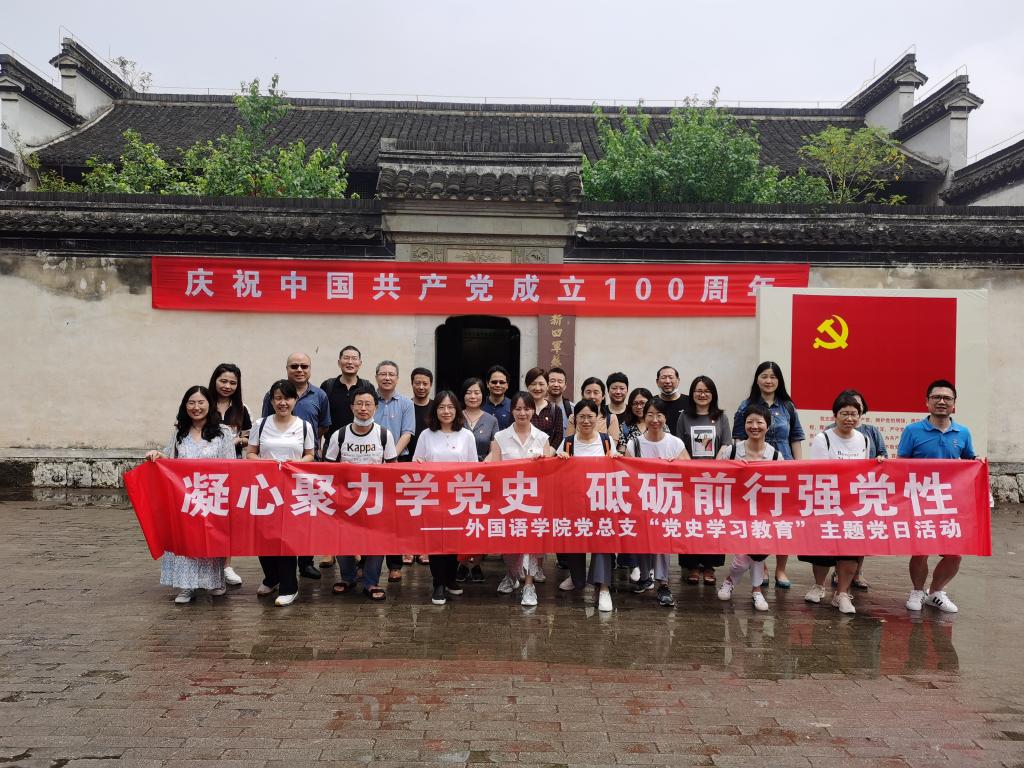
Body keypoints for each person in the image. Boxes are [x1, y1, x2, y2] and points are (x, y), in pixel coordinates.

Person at [145, 386, 236, 604]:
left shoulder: (222, 432)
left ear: (210, 405)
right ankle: (186, 585)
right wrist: (157, 455)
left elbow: (231, 465)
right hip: (183, 496)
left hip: (211, 495)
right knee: (185, 539)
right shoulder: (180, 432)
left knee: (209, 539)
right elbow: (170, 459)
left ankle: (214, 581)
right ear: (185, 406)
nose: (196, 407)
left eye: (201, 402)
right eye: (191, 403)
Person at [898, 379, 977, 614]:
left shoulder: (963, 432)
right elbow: (901, 464)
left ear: (954, 404)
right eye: (936, 397)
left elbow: (970, 463)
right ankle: (917, 591)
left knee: (954, 554)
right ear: (927, 402)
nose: (942, 401)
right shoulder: (912, 431)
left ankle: (936, 592)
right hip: (920, 500)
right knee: (921, 550)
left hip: (951, 503)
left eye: (947, 398)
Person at [732, 361, 805, 589]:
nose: (768, 381)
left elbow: (795, 438)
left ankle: (781, 569)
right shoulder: (746, 406)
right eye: (764, 376)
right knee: (758, 519)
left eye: (773, 377)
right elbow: (738, 437)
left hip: (782, 469)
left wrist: (798, 468)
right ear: (757, 379)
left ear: (779, 381)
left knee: (782, 519)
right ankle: (760, 564)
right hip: (753, 472)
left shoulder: (788, 406)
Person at [324, 384, 397, 601]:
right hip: (345, 500)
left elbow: (393, 469)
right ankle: (347, 577)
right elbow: (327, 469)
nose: (363, 408)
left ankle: (371, 581)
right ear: (351, 407)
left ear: (376, 407)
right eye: (359, 404)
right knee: (342, 539)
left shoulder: (384, 435)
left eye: (368, 404)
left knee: (377, 541)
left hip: (375, 500)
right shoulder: (339, 435)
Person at [261, 352, 330, 581]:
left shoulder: (320, 395)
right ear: (287, 368)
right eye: (294, 366)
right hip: (274, 473)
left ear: (310, 368)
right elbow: (265, 427)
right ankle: (276, 571)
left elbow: (322, 426)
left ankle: (306, 562)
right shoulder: (271, 395)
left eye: (304, 366)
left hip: (305, 468)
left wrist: (302, 447)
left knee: (305, 517)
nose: (299, 370)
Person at [800, 392, 871, 615]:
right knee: (823, 550)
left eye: (854, 414)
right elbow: (819, 472)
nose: (849, 418)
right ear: (835, 415)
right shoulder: (824, 438)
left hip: (853, 505)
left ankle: (842, 593)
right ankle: (818, 586)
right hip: (828, 502)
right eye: (844, 413)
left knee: (850, 550)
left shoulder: (864, 439)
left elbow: (865, 471)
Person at [246, 379, 315, 606]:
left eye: (287, 398)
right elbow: (251, 453)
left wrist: (293, 465)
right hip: (265, 489)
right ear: (272, 400)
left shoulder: (304, 426)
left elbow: (310, 455)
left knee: (286, 537)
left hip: (292, 490)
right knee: (264, 536)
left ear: (295, 400)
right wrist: (268, 464)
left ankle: (289, 586)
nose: (282, 403)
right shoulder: (260, 424)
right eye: (278, 398)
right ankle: (271, 577)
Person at [485, 391, 555, 606]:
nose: (522, 413)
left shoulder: (542, 438)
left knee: (532, 543)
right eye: (518, 409)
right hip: (508, 501)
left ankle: (529, 585)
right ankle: (511, 574)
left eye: (526, 408)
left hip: (534, 501)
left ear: (533, 411)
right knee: (511, 542)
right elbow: (494, 469)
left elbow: (548, 472)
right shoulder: (500, 437)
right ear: (511, 411)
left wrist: (545, 460)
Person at [413, 391, 479, 605]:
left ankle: (450, 579)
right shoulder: (426, 435)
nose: (446, 411)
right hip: (433, 496)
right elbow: (416, 463)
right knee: (436, 540)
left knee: (453, 539)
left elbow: (473, 466)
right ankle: (438, 583)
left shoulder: (466, 436)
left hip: (458, 496)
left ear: (457, 410)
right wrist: (420, 465)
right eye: (441, 407)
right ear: (435, 411)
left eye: (450, 407)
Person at [623, 398, 689, 607]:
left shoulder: (675, 443)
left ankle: (663, 583)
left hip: (665, 501)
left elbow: (689, 469)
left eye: (659, 415)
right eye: (650, 415)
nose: (655, 419)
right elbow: (626, 472)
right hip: (641, 500)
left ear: (665, 417)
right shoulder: (634, 443)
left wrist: (676, 465)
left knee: (662, 543)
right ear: (644, 416)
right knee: (642, 541)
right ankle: (645, 577)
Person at [716, 403, 781, 612]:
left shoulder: (775, 455)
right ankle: (730, 580)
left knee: (758, 555)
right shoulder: (732, 451)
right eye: (749, 422)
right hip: (737, 513)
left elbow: (783, 484)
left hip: (763, 514)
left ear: (767, 426)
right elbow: (716, 477)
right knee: (742, 560)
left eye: (759, 422)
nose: (754, 426)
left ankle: (756, 590)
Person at [557, 399, 618, 612]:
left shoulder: (606, 441)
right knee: (575, 541)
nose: (585, 421)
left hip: (601, 502)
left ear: (597, 417)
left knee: (602, 543)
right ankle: (577, 579)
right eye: (581, 417)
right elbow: (555, 472)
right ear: (575, 419)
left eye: (590, 416)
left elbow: (616, 467)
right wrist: (560, 459)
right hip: (574, 503)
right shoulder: (567, 443)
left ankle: (603, 587)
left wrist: (616, 458)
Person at [825, 388, 887, 590]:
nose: (850, 415)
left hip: (862, 490)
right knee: (838, 533)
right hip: (837, 491)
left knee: (858, 533)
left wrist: (880, 460)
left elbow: (882, 454)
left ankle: (857, 572)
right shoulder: (829, 432)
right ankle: (838, 571)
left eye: (856, 408)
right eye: (846, 409)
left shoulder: (871, 432)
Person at [676, 375, 730, 585]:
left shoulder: (721, 417)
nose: (702, 394)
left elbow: (726, 444)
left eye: (707, 391)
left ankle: (709, 566)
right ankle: (691, 565)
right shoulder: (684, 417)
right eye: (698, 391)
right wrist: (692, 469)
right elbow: (679, 446)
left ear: (713, 394)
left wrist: (713, 467)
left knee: (712, 522)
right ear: (692, 394)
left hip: (715, 479)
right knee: (690, 522)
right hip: (690, 479)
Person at [208, 363, 251, 587]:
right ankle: (202, 565)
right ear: (214, 380)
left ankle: (225, 566)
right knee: (205, 517)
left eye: (232, 383)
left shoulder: (242, 409)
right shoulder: (203, 403)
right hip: (205, 471)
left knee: (226, 520)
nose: (227, 386)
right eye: (223, 381)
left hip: (232, 470)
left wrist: (236, 440)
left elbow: (249, 438)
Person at [373, 360, 417, 581]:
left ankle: (394, 564)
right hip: (370, 462)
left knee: (394, 515)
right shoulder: (369, 399)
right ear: (376, 377)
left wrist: (390, 457)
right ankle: (365, 562)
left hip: (398, 462)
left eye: (391, 374)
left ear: (397, 378)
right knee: (371, 512)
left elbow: (407, 433)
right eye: (383, 374)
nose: (387, 378)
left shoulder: (406, 403)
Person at [321, 345, 371, 445]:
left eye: (354, 358)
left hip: (360, 446)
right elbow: (320, 419)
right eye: (346, 358)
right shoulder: (327, 386)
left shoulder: (367, 387)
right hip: (332, 445)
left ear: (360, 363)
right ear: (339, 362)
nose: (350, 362)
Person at [567, 377, 621, 444]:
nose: (592, 396)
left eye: (596, 392)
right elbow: (568, 444)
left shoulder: (611, 419)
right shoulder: (573, 418)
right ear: (582, 395)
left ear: (603, 396)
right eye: (588, 392)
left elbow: (611, 446)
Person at [525, 367, 564, 451]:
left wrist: (548, 454)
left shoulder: (555, 409)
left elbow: (558, 436)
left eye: (541, 384)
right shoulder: (520, 408)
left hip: (548, 455)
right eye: (533, 384)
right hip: (525, 455)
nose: (537, 388)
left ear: (547, 386)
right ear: (527, 386)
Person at [653, 366, 689, 437]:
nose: (667, 381)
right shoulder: (652, 403)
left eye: (671, 377)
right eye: (663, 378)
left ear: (678, 380)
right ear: (657, 381)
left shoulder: (689, 402)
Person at [616, 387, 652, 454]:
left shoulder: (658, 424)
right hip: (631, 460)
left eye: (642, 403)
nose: (639, 407)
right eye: (635, 403)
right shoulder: (625, 426)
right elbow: (622, 450)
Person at [483, 365, 513, 430]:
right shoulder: (479, 404)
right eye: (494, 382)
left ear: (507, 385)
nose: (498, 385)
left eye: (502, 382)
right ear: (487, 384)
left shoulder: (513, 406)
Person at [547, 367, 574, 432]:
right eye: (552, 381)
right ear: (546, 383)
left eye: (560, 381)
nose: (556, 385)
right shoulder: (537, 407)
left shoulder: (573, 409)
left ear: (565, 386)